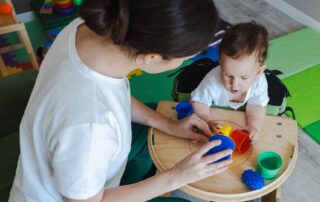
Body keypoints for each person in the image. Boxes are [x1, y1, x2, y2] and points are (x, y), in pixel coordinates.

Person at [9, 0, 233, 201]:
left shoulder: (86, 28)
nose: (184, 63)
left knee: (156, 117)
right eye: (184, 59)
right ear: (151, 57)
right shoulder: (89, 129)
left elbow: (111, 95)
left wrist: (169, 125)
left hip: (68, 171)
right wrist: (177, 177)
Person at [191, 22, 269, 141]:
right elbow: (198, 102)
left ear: (258, 72)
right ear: (220, 63)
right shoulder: (212, 81)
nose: (234, 84)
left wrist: (254, 125)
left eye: (244, 77)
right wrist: (207, 121)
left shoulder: (259, 83)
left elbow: (257, 105)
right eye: (228, 75)